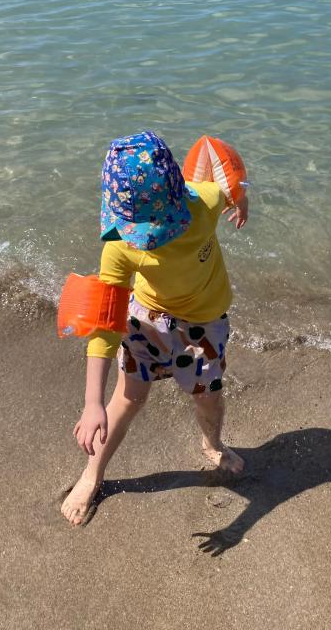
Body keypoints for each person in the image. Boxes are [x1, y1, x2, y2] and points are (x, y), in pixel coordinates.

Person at [61, 130, 248, 527]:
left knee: (208, 396)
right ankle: (92, 475)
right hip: (147, 317)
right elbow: (106, 325)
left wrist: (241, 199)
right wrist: (92, 401)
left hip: (204, 323)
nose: (147, 241)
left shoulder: (206, 203)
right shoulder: (120, 246)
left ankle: (212, 443)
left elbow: (228, 183)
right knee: (129, 399)